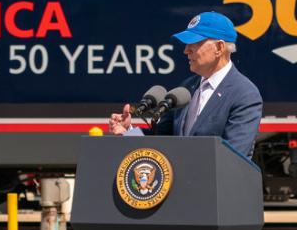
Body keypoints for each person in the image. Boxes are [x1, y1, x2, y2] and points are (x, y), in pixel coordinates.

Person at [108, 11, 263, 157]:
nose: (186, 50)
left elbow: (233, 157)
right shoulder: (186, 88)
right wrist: (128, 131)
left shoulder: (245, 94)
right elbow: (162, 140)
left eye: (194, 43)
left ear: (219, 47)